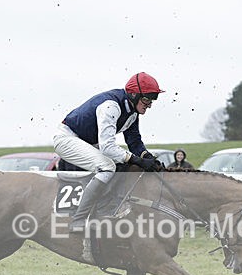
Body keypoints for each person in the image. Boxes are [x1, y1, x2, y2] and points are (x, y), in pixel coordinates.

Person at [53, 72, 164, 232]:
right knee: (108, 167)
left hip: (87, 142)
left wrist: (147, 157)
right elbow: (107, 147)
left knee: (122, 165)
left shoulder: (132, 112)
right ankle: (79, 220)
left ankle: (105, 208)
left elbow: (134, 141)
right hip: (67, 139)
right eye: (147, 99)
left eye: (152, 101)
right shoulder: (111, 106)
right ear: (134, 94)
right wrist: (137, 160)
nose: (149, 105)